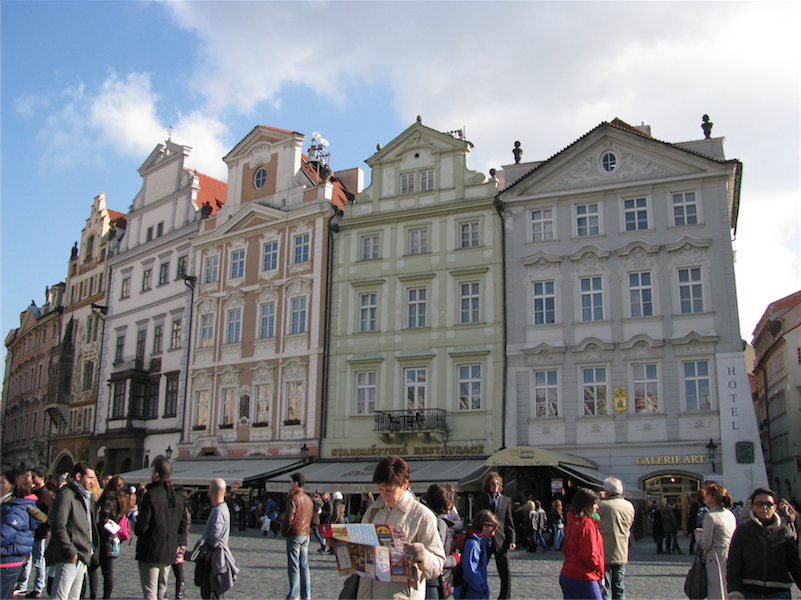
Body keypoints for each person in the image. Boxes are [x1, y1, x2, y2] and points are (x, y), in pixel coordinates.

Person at [357, 456, 445, 599]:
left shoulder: (422, 515)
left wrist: (424, 556)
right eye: (380, 490)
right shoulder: (373, 512)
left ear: (405, 484)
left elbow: (438, 565)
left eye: (389, 490)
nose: (384, 495)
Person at [727, 487, 801, 599]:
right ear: (752, 506)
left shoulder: (784, 532)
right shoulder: (743, 531)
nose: (764, 508)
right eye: (759, 504)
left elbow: (795, 565)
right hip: (750, 593)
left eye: (769, 504)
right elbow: (734, 564)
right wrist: (734, 591)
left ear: (775, 507)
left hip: (779, 593)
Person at [135, 459, 188, 600]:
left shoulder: (151, 496)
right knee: (161, 590)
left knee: (150, 591)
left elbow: (141, 527)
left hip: (151, 550)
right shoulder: (178, 498)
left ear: (157, 474)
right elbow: (183, 526)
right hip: (169, 550)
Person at [45, 463, 98, 600]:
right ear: (78, 476)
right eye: (90, 478)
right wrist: (71, 551)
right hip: (69, 556)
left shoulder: (87, 496)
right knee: (60, 596)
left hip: (83, 555)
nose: (93, 482)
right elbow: (58, 526)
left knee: (74, 597)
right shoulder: (66, 495)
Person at [474, 472, 516, 600]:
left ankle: (504, 597)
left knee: (505, 573)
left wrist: (512, 539)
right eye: (493, 484)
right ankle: (478, 593)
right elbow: (477, 520)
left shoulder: (506, 500)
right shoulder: (481, 500)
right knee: (479, 569)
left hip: (500, 540)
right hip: (484, 539)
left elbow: (509, 522)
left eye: (497, 484)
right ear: (488, 485)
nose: (495, 486)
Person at [559, 487, 605, 600]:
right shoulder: (587, 524)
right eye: (594, 504)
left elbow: (566, 548)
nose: (597, 508)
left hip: (567, 573)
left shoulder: (571, 522)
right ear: (587, 505)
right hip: (584, 576)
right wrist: (600, 568)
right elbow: (589, 554)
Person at [196, 479, 238, 599]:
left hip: (214, 557)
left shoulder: (219, 511)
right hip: (216, 556)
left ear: (212, 490)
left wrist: (208, 554)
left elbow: (216, 535)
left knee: (210, 592)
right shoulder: (222, 508)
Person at [694, 482, 736, 600]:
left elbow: (705, 544)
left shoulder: (711, 516)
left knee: (716, 591)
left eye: (707, 494)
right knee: (727, 589)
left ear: (713, 498)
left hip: (715, 556)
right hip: (729, 554)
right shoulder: (729, 514)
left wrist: (698, 535)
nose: (705, 497)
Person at [14, 468, 51, 599]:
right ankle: (23, 585)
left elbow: (46, 517)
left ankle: (38, 587)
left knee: (39, 561)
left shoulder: (45, 494)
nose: (32, 479)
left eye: (34, 477)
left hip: (39, 533)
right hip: (32, 533)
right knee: (28, 561)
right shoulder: (35, 492)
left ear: (41, 478)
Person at [2, 470, 39, 600]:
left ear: (12, 485)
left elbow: (3, 536)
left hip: (6, 561)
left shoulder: (14, 508)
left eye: (2, 482)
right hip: (10, 560)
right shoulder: (10, 504)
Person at [596, 477, 635, 600]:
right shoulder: (629, 506)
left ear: (606, 491)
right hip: (621, 551)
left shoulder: (602, 506)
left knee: (605, 588)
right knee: (619, 587)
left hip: (604, 552)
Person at [424, 483, 461, 600]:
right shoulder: (439, 523)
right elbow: (438, 559)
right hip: (436, 581)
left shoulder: (425, 517)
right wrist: (454, 559)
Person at [281, 472, 314, 600]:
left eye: (290, 482)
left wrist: (285, 532)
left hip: (295, 534)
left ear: (295, 483)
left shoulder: (294, 498)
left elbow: (289, 518)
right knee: (304, 565)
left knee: (294, 565)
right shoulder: (308, 499)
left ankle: (294, 595)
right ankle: (307, 595)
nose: (289, 485)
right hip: (305, 534)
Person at [94, 476, 128, 600]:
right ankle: (106, 597)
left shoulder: (109, 498)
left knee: (94, 568)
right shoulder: (122, 499)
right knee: (108, 572)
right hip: (113, 537)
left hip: (103, 538)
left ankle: (95, 596)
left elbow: (103, 517)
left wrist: (100, 528)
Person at [458, 510, 499, 600]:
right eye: (492, 530)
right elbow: (471, 570)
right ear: (484, 527)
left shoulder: (480, 543)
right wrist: (482, 587)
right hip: (472, 593)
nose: (493, 534)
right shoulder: (473, 544)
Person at [687, 489, 707, 555]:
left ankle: (691, 550)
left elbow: (691, 516)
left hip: (696, 524)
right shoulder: (707, 504)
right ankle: (702, 550)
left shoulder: (695, 504)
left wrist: (689, 529)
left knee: (693, 539)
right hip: (705, 524)